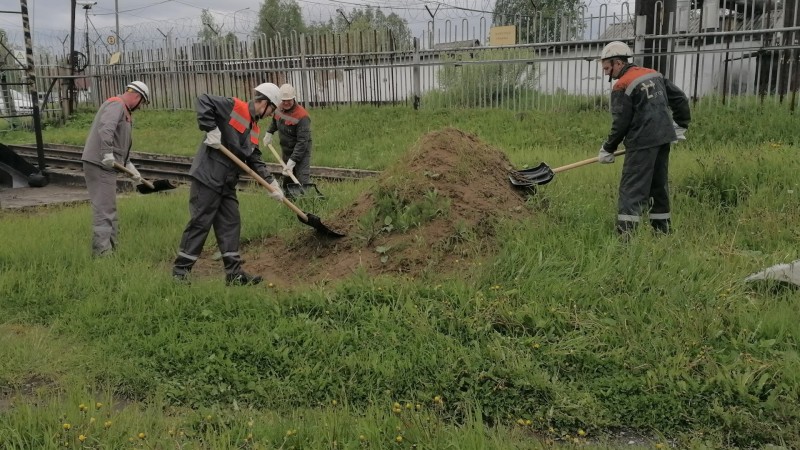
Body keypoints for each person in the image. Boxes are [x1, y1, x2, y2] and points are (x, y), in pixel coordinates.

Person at [172, 83, 285, 286]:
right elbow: (203, 99)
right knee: (200, 222)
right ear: (264, 103)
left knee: (231, 223)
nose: (271, 114)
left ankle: (234, 274)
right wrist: (211, 128)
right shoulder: (234, 106)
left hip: (226, 182)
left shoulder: (254, 127)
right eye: (272, 109)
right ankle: (180, 272)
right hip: (208, 177)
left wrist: (272, 183)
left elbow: (254, 157)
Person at [597, 41, 691, 237]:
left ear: (618, 63)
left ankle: (625, 239)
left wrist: (608, 148)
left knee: (632, 190)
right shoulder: (653, 74)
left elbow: (620, 123)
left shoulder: (621, 86)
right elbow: (680, 98)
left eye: (607, 68)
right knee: (658, 187)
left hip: (641, 144)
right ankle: (662, 233)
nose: (606, 73)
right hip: (663, 139)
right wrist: (681, 124)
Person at [80, 81, 150, 257]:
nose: (140, 107)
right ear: (137, 96)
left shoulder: (124, 110)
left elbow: (120, 143)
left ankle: (111, 248)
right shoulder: (116, 104)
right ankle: (102, 254)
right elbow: (106, 129)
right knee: (104, 209)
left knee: (109, 208)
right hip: (99, 163)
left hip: (106, 164)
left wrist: (129, 166)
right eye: (142, 103)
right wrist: (106, 153)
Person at [262, 83, 312, 191]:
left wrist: (293, 160)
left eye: (288, 100)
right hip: (286, 150)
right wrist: (269, 132)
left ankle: (306, 200)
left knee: (302, 179)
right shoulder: (278, 109)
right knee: (287, 179)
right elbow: (275, 121)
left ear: (294, 98)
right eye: (283, 100)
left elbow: (302, 141)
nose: (286, 103)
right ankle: (289, 201)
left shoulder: (302, 116)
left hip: (301, 152)